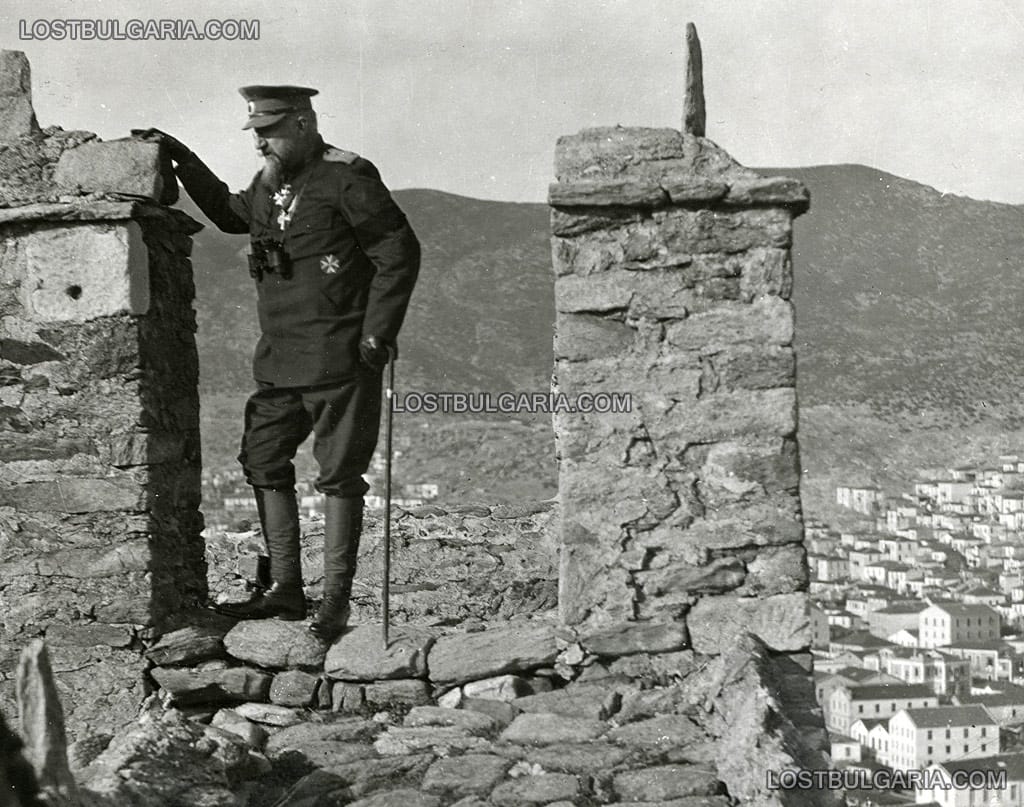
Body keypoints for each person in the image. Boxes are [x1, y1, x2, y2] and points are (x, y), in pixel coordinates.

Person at [138, 85, 420, 643]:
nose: (260, 142)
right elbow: (227, 215)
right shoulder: (270, 185)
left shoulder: (347, 178)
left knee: (339, 476)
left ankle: (334, 602)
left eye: (269, 131)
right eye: (256, 132)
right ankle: (285, 590)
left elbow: (399, 252)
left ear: (304, 124)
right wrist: (185, 160)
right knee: (262, 457)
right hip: (280, 357)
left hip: (341, 354)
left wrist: (377, 334)